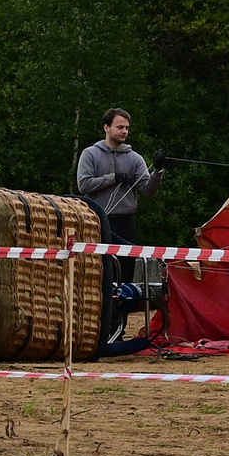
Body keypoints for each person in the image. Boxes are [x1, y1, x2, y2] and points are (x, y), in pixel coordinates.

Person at [77, 108, 162, 351]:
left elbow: (147, 191)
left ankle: (119, 330)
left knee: (123, 276)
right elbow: (83, 184)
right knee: (100, 275)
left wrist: (158, 171)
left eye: (126, 128)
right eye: (119, 127)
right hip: (98, 220)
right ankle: (97, 328)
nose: (124, 131)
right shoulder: (90, 154)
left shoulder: (135, 158)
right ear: (107, 127)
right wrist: (113, 177)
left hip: (126, 221)